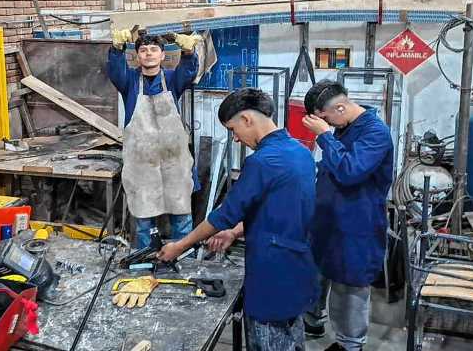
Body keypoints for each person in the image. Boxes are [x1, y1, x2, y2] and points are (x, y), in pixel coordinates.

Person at [157, 88, 319, 351]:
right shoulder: (300, 152)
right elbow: (277, 208)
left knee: (267, 342)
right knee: (291, 340)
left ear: (247, 119)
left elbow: (223, 215)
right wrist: (234, 233)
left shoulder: (263, 161)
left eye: (233, 129)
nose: (234, 139)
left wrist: (179, 246)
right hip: (297, 269)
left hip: (271, 274)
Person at [300, 80, 394, 351]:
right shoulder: (345, 127)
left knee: (349, 286)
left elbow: (350, 171)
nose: (326, 124)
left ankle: (351, 345)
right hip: (328, 218)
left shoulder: (375, 133)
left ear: (340, 107)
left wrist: (325, 136)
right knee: (318, 272)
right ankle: (313, 320)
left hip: (356, 223)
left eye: (326, 118)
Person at [106, 28, 201, 249]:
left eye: (154, 49)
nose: (148, 53)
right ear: (137, 56)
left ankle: (180, 259)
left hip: (173, 162)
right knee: (143, 223)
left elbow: (188, 72)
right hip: (142, 164)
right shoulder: (129, 81)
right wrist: (116, 49)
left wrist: (188, 53)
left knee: (181, 219)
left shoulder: (172, 79)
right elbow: (115, 70)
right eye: (143, 50)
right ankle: (145, 262)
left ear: (162, 55)